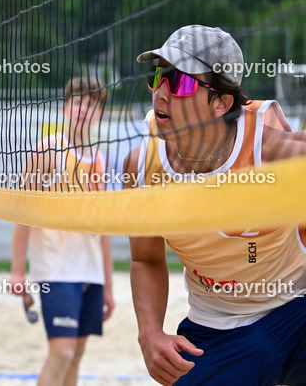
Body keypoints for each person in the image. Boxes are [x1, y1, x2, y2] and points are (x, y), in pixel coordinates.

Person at [122, 25, 306, 386]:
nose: (162, 92)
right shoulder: (141, 165)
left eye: (180, 81)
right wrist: (149, 333)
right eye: (158, 75)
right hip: (216, 330)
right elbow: (146, 259)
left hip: (295, 312)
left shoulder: (273, 152)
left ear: (221, 102)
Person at [9, 76, 116, 386]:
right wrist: (17, 272)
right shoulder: (48, 150)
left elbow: (103, 228)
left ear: (100, 114)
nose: (83, 109)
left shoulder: (99, 159)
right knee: (63, 352)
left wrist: (108, 285)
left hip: (90, 272)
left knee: (78, 353)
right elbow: (22, 214)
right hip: (56, 270)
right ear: (66, 108)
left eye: (91, 104)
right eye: (77, 102)